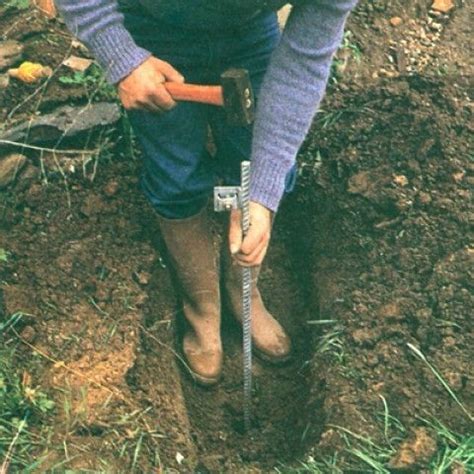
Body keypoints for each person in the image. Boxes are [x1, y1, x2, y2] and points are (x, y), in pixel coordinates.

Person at [55, 0, 357, 386]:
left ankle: (243, 291)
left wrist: (261, 196)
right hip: (154, 29)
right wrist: (122, 56)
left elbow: (302, 66)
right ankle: (202, 307)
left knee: (257, 162)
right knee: (175, 175)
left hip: (248, 35)